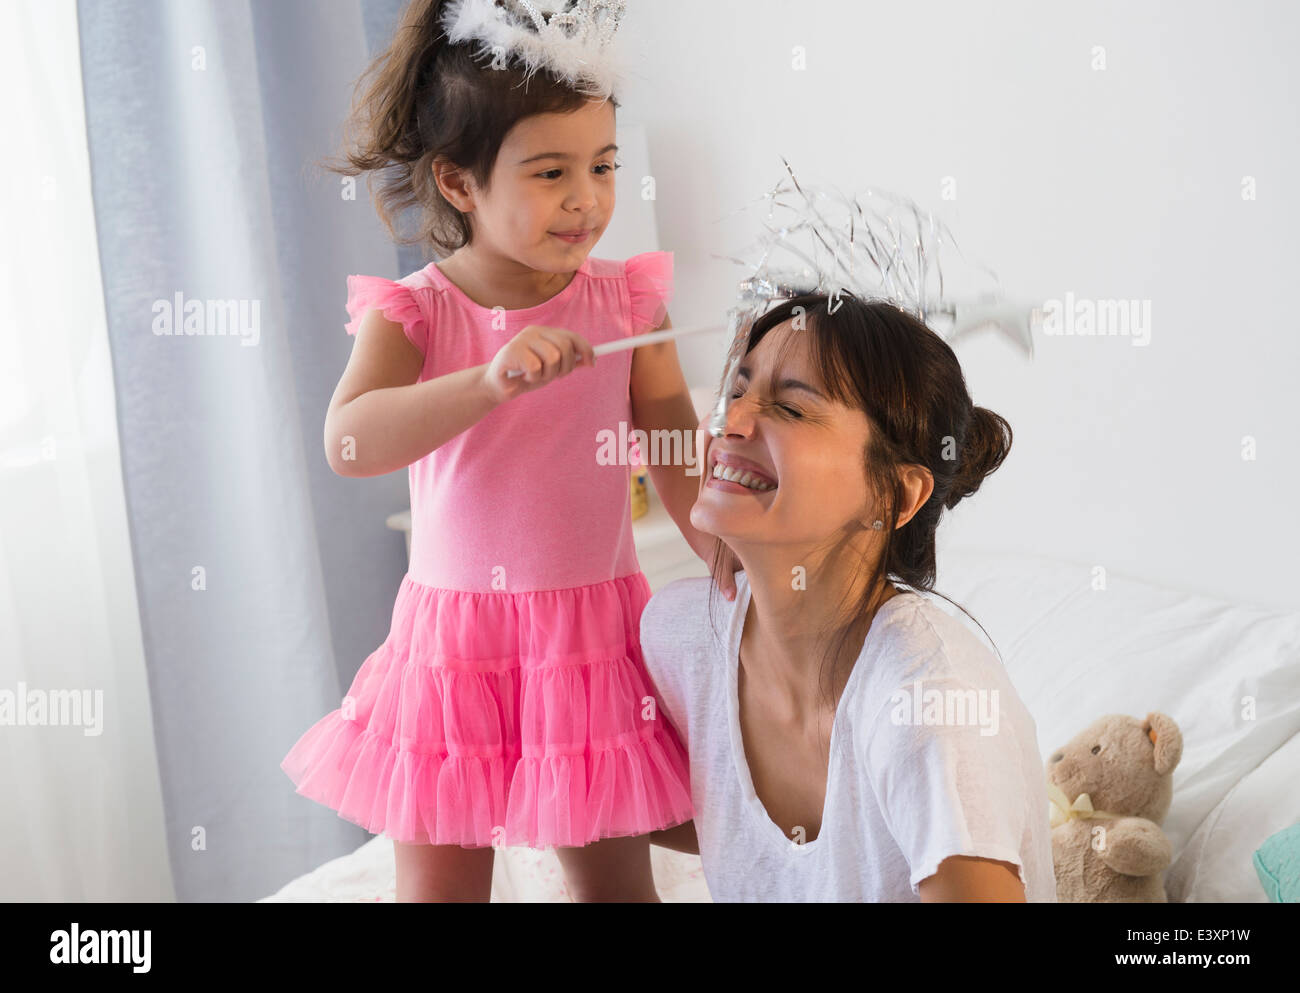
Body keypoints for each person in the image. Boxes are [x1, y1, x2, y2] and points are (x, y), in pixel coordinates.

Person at [281, 0, 727, 902]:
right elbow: (349, 440)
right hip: (454, 645)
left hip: (592, 637)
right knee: (440, 884)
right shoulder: (419, 310)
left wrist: (736, 558)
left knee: (615, 881)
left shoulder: (629, 305)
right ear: (458, 183)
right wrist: (488, 383)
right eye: (551, 171)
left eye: (603, 166)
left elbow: (676, 442)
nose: (588, 199)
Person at [641, 292, 1057, 901]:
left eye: (790, 407)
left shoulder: (929, 706)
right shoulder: (681, 637)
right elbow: (669, 811)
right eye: (737, 390)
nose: (731, 422)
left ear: (894, 496)